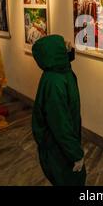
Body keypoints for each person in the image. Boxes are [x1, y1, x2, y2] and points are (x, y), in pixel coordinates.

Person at [32, 35, 86, 186]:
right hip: (58, 149)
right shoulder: (55, 82)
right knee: (72, 180)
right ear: (55, 52)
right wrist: (76, 154)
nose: (68, 44)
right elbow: (60, 125)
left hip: (62, 145)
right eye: (63, 44)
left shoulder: (61, 72)